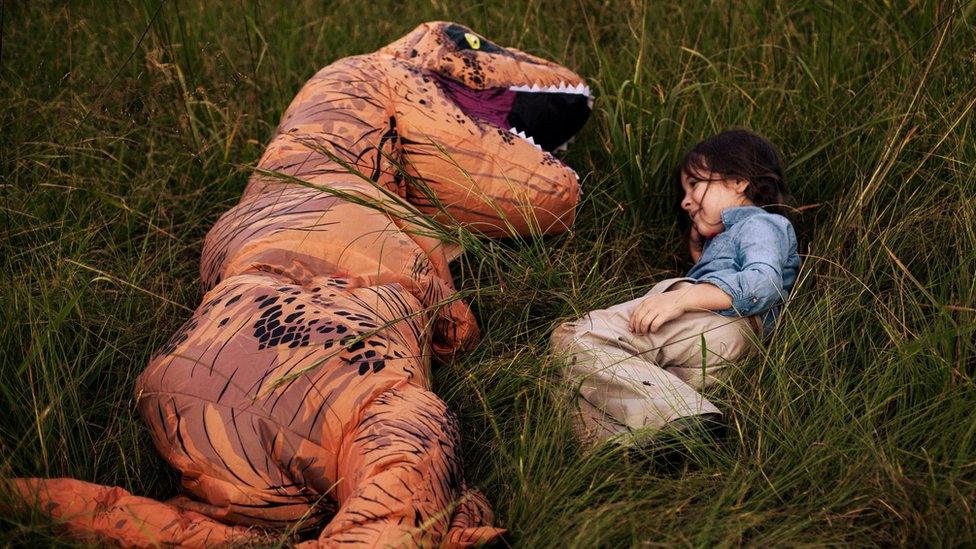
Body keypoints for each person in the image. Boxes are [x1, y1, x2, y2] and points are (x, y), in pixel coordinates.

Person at [550, 129, 801, 448]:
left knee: (577, 338)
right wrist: (703, 248)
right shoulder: (733, 235)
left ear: (739, 181)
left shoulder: (760, 223)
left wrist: (685, 295)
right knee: (578, 380)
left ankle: (683, 417)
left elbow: (763, 282)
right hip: (714, 352)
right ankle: (622, 452)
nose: (685, 201)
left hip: (725, 324)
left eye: (695, 184)